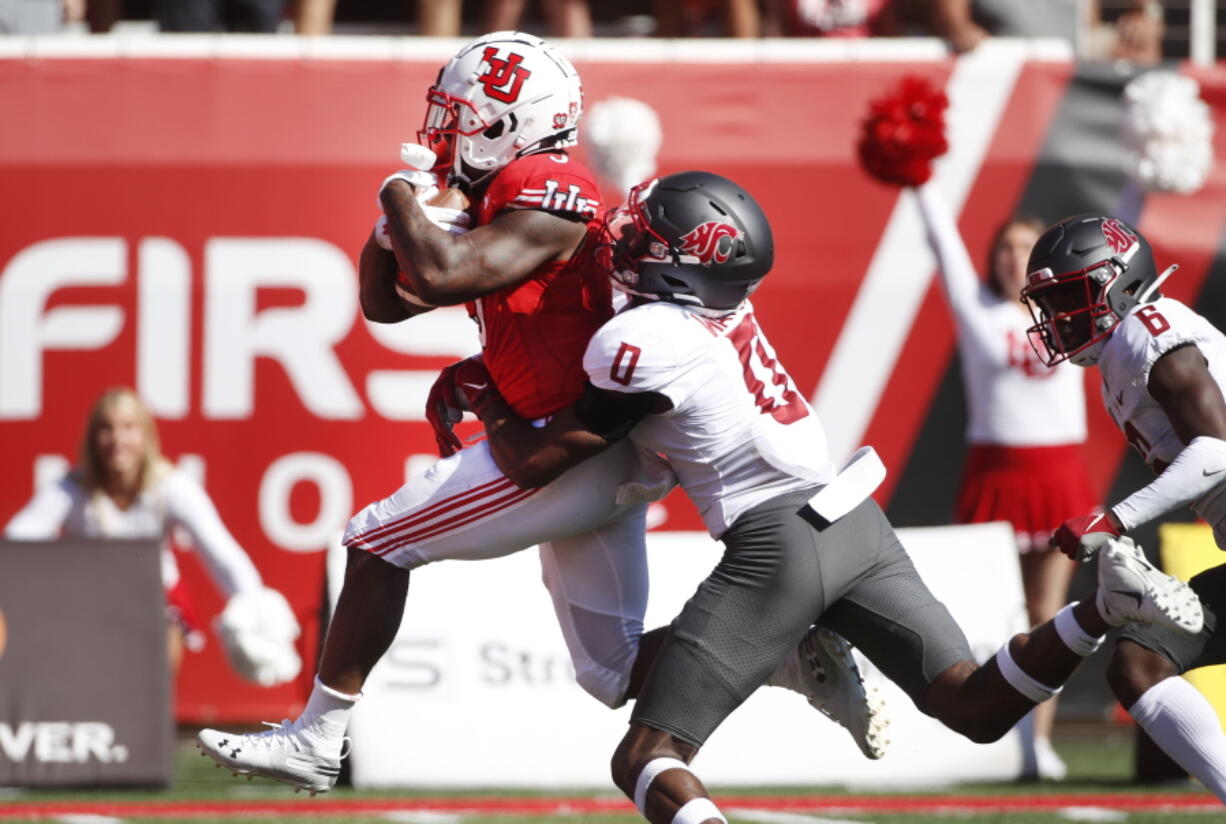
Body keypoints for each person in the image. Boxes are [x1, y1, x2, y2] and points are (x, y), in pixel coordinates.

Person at [196, 32, 884, 795]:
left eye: (461, 116)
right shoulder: (511, 186)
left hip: (570, 448)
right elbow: (386, 301)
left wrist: (397, 193)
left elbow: (443, 270)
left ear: (505, 121)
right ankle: (793, 659)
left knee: (375, 540)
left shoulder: (549, 183)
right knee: (609, 671)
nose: (444, 132)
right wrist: (395, 225)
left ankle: (319, 735)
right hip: (588, 447)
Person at [451, 170, 1205, 821]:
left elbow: (541, 458)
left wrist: (484, 395)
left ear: (685, 265)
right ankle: (1102, 608)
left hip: (777, 540)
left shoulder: (641, 338)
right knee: (971, 703)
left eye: (646, 242)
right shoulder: (726, 310)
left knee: (647, 756)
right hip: (852, 512)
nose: (628, 250)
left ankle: (792, 649)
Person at [1021, 214, 1226, 801]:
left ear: (1121, 283)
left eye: (1069, 295)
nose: (1058, 316)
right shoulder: (1123, 350)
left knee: (1138, 661)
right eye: (1050, 301)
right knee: (1138, 664)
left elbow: (1216, 452)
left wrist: (1111, 518)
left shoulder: (1147, 330)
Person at [913, 184, 1097, 779]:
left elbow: (1122, 234)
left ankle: (1036, 744)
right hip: (996, 476)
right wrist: (920, 179)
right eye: (1005, 248)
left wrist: (1146, 176)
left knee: (1049, 613)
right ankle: (995, 738)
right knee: (998, 612)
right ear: (992, 260)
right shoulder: (978, 313)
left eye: (1026, 247)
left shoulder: (1070, 313)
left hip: (1058, 475)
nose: (1014, 257)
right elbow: (943, 247)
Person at [5, 387, 301, 687]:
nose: (117, 439)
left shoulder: (171, 486)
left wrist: (254, 608)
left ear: (145, 436)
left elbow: (220, 553)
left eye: (128, 428)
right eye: (106, 429)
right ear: (92, 438)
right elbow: (18, 540)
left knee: (156, 660)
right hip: (86, 604)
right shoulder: (73, 487)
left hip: (155, 603)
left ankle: (152, 716)